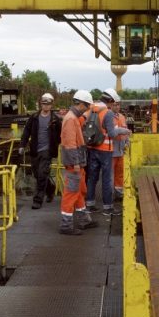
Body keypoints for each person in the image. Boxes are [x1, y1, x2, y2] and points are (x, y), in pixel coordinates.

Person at [86, 89, 131, 216]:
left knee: (92, 178)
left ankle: (89, 205)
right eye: (113, 102)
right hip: (105, 150)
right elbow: (111, 133)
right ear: (110, 100)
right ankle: (108, 208)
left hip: (92, 147)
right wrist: (124, 131)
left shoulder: (92, 108)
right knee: (107, 179)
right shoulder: (108, 112)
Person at [59, 90, 98, 235]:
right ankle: (66, 225)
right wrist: (75, 163)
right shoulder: (70, 119)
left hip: (78, 164)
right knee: (71, 193)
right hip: (74, 165)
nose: (87, 109)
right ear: (80, 103)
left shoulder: (74, 117)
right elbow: (69, 144)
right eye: (86, 106)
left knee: (80, 192)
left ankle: (84, 220)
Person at [20, 92, 59, 209]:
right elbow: (26, 131)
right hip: (35, 150)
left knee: (42, 174)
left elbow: (61, 135)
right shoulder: (34, 117)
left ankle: (37, 200)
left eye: (48, 104)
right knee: (37, 175)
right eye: (44, 104)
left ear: (51, 105)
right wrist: (22, 145)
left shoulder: (55, 120)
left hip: (47, 151)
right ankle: (50, 188)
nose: (46, 106)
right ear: (41, 104)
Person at [108, 90, 131, 200]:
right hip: (111, 150)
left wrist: (127, 142)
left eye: (118, 105)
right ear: (111, 105)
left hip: (121, 150)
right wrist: (124, 131)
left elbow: (125, 131)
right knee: (110, 175)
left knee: (120, 173)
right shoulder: (108, 117)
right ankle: (109, 194)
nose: (117, 107)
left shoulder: (122, 117)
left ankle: (119, 193)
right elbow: (113, 131)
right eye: (115, 105)